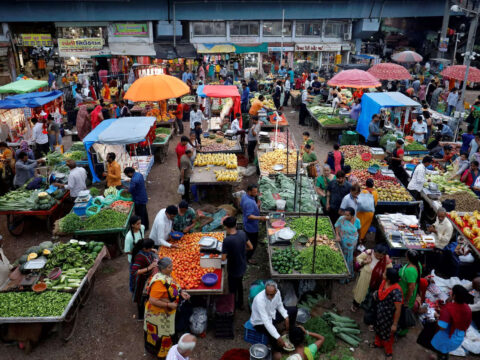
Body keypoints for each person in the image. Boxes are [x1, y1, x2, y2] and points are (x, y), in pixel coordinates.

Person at [144, 257, 191, 359]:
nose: (172, 268)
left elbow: (174, 285)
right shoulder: (158, 282)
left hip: (168, 312)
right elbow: (152, 300)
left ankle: (170, 349)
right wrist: (168, 305)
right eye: (169, 267)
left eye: (172, 265)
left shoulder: (168, 274)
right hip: (158, 313)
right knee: (161, 333)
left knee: (169, 331)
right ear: (163, 268)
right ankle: (161, 353)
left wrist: (181, 292)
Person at [250, 280, 291, 360]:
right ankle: (276, 350)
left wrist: (286, 317)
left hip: (272, 316)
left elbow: (279, 305)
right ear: (265, 290)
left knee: (293, 310)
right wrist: (278, 337)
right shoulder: (259, 300)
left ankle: (287, 331)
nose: (269, 296)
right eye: (267, 294)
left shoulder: (278, 293)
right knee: (273, 335)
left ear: (276, 291)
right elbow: (266, 322)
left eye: (271, 295)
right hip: (259, 322)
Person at [430, 285, 472, 360]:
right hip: (459, 337)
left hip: (447, 339)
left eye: (451, 293)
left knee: (441, 352)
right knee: (445, 352)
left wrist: (437, 318)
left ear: (454, 296)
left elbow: (442, 327)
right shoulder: (467, 308)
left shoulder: (448, 309)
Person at [221, 216, 252, 310]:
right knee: (239, 285)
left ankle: (232, 305)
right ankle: (241, 304)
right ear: (235, 225)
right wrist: (242, 249)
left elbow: (223, 258)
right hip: (242, 265)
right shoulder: (242, 233)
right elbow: (250, 247)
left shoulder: (227, 240)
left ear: (226, 227)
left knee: (232, 288)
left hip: (233, 268)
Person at [372, 268, 403, 360]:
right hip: (380, 312)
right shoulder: (384, 282)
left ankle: (389, 352)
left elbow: (398, 310)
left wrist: (394, 324)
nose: (383, 274)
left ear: (389, 279)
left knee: (387, 335)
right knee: (378, 328)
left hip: (388, 317)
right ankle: (377, 343)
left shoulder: (396, 292)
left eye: (385, 273)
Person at [352, 244, 391, 311]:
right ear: (374, 252)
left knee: (372, 293)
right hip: (365, 276)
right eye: (376, 255)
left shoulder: (386, 258)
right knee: (361, 291)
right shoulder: (369, 252)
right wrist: (365, 262)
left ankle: (367, 305)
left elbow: (390, 267)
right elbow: (358, 258)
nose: (378, 257)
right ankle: (356, 304)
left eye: (381, 256)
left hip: (377, 279)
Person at [130, 238, 157, 319]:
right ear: (144, 248)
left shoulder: (145, 251)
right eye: (150, 248)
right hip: (141, 280)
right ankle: (141, 316)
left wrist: (151, 250)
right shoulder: (139, 257)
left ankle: (146, 308)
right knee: (141, 297)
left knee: (145, 295)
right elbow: (134, 271)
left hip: (146, 277)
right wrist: (149, 267)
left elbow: (149, 252)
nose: (151, 249)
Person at [241, 184, 268, 264]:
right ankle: (248, 258)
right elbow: (249, 216)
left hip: (246, 223)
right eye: (255, 192)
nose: (256, 193)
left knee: (248, 240)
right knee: (253, 244)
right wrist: (260, 218)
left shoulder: (245, 196)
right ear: (249, 192)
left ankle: (245, 251)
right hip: (251, 226)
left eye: (257, 191)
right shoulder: (249, 202)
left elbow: (244, 208)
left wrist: (256, 206)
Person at [398, 249, 422, 336]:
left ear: (408, 257)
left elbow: (411, 287)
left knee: (403, 313)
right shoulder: (418, 265)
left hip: (405, 295)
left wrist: (406, 300)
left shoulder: (410, 270)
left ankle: (401, 331)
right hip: (408, 293)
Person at [335, 207, 361, 280]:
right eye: (345, 214)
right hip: (343, 241)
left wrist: (360, 240)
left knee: (350, 257)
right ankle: (341, 274)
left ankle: (348, 274)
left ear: (352, 216)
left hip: (352, 242)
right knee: (342, 256)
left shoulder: (357, 221)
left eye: (347, 215)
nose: (345, 216)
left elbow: (359, 230)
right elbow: (337, 226)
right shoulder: (341, 219)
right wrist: (337, 235)